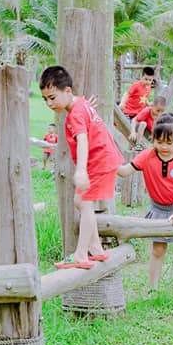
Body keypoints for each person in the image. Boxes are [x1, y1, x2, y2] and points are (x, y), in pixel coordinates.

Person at [40, 66, 122, 269]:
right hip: (104, 160)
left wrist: (81, 170)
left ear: (68, 91)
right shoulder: (81, 104)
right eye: (45, 99)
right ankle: (96, 248)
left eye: (52, 97)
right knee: (81, 201)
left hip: (99, 162)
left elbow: (83, 140)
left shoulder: (75, 113)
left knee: (84, 204)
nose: (49, 103)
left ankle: (81, 253)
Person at [117, 116, 173, 288]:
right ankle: (152, 288)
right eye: (159, 142)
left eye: (169, 143)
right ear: (153, 139)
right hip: (159, 209)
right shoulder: (147, 156)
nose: (164, 147)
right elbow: (124, 171)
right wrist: (105, 160)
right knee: (158, 249)